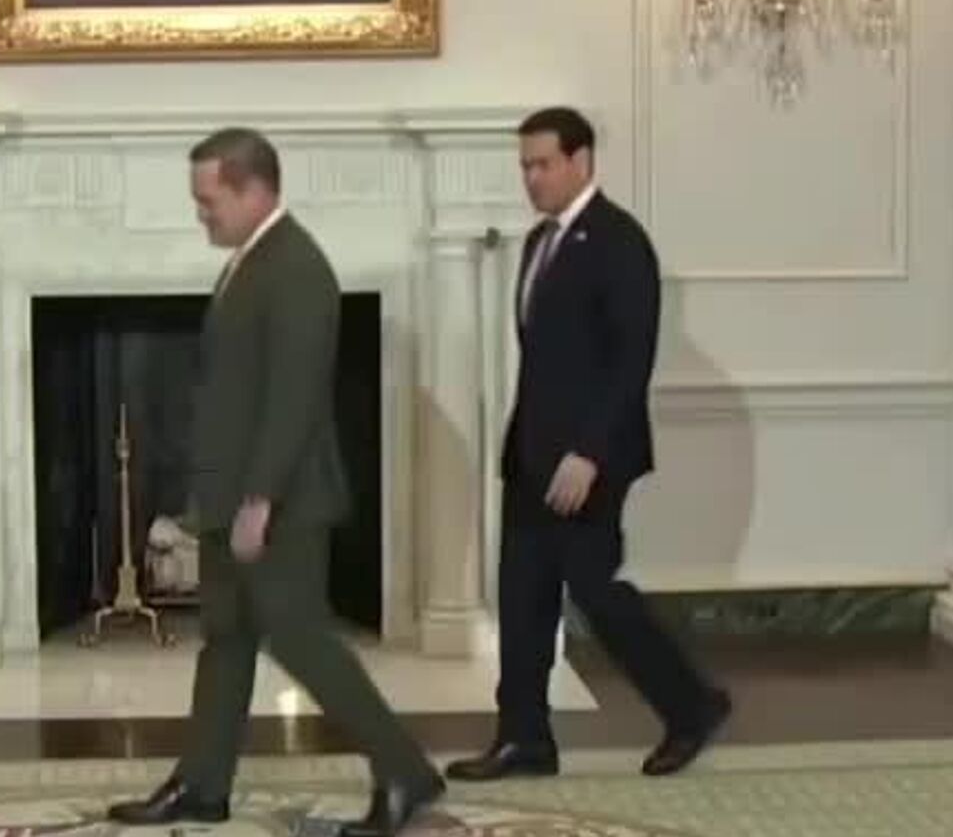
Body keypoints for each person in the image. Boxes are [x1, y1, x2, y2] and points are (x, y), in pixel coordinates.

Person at [106, 128, 443, 836]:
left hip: (279, 502)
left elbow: (295, 394)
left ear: (253, 190)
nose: (201, 214)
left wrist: (260, 497)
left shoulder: (296, 267)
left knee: (300, 640)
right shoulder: (251, 261)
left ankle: (404, 770)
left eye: (209, 200)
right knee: (226, 639)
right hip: (232, 498)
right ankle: (201, 785)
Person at [446, 106, 730, 784]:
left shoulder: (619, 242)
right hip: (531, 456)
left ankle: (691, 706)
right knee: (523, 600)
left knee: (597, 593)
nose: (531, 178)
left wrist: (590, 454)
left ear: (581, 160)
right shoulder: (537, 243)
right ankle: (523, 738)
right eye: (524, 166)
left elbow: (631, 360)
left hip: (587, 461)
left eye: (542, 164)